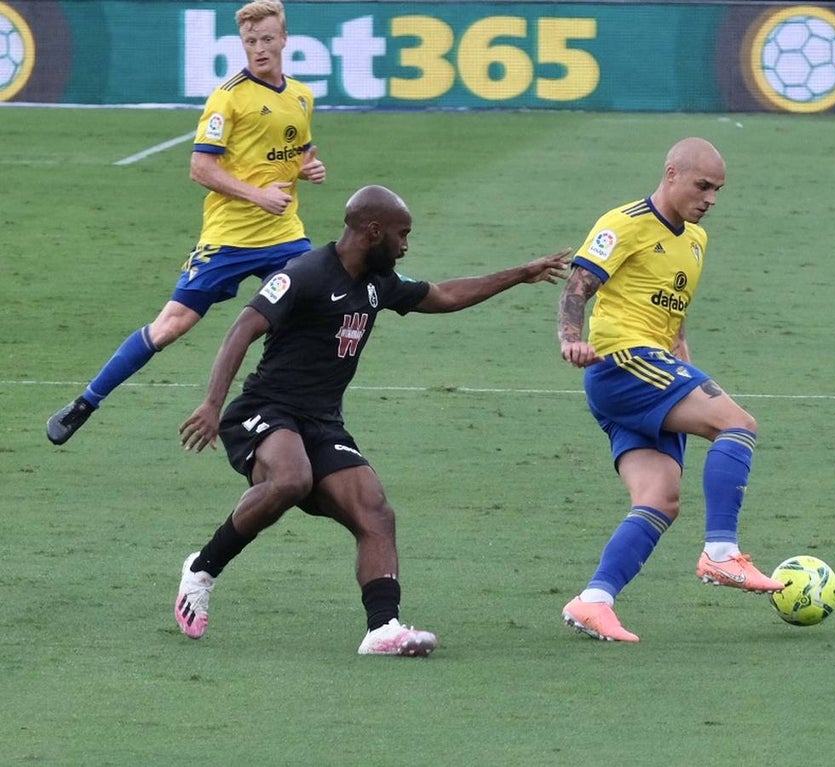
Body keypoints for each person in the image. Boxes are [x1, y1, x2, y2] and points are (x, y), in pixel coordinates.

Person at [174, 184, 570, 656]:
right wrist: (212, 404)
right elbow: (243, 327)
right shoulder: (304, 274)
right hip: (266, 409)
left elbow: (442, 295)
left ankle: (383, 628)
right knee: (291, 477)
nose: (406, 245)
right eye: (402, 234)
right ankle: (203, 568)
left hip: (322, 422)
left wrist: (520, 274)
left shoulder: (377, 283)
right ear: (373, 231)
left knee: (375, 510)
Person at [47, 0, 326, 445]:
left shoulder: (301, 96)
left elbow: (299, 153)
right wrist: (257, 195)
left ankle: (284, 416)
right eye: (250, 41)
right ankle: (87, 402)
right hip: (228, 238)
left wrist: (309, 169)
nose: (259, 48)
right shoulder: (229, 97)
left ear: (284, 39)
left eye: (267, 39)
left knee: (318, 308)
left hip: (284, 237)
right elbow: (200, 168)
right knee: (171, 325)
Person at [557, 137, 784, 643]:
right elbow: (577, 286)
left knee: (660, 499)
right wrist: (571, 340)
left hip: (654, 368)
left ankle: (593, 600)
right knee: (738, 425)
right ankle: (722, 553)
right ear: (672, 173)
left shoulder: (697, 241)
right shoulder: (625, 222)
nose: (711, 199)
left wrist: (687, 368)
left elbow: (672, 319)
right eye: (703, 186)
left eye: (718, 190)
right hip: (622, 362)